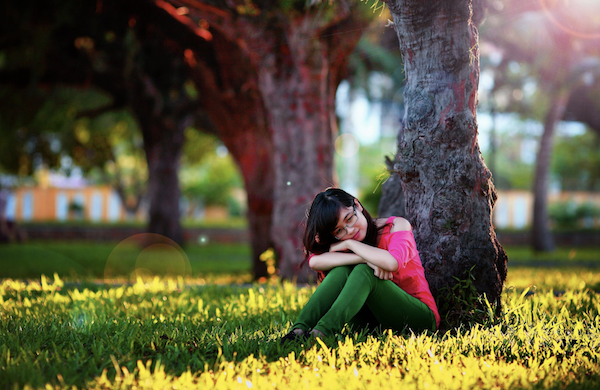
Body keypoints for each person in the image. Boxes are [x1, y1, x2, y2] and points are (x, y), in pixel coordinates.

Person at [282, 188, 440, 342]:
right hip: (372, 326)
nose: (349, 230)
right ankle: (298, 331)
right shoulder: (345, 243)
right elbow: (315, 261)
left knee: (364, 271)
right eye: (339, 231)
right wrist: (365, 259)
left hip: (419, 320)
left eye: (349, 218)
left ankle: (322, 332)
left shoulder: (396, 226)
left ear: (357, 205)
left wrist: (351, 245)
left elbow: (393, 262)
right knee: (342, 270)